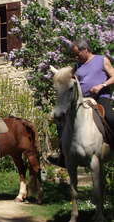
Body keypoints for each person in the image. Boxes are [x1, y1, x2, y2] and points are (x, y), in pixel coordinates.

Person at [49, 39, 114, 167]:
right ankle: (63, 154)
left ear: (85, 50)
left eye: (77, 53)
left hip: (101, 97)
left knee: (110, 118)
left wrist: (102, 85)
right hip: (83, 99)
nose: (76, 56)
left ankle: (111, 147)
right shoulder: (77, 66)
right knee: (63, 120)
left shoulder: (102, 60)